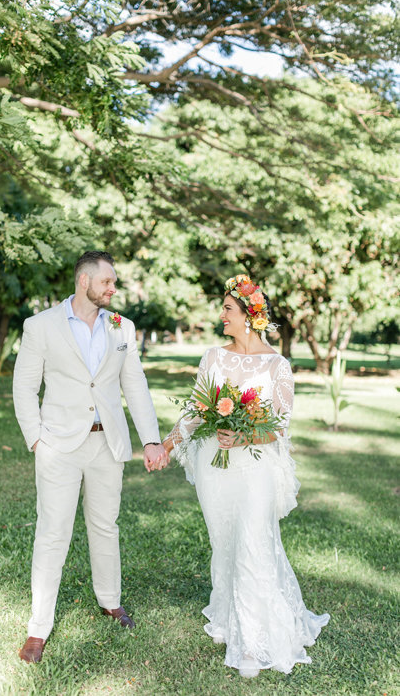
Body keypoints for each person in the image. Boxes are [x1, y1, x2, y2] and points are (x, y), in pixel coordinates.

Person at [162, 274, 330, 678]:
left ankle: (253, 643)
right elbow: (194, 411)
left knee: (254, 541)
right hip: (214, 466)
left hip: (255, 468)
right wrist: (165, 446)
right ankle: (227, 617)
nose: (221, 315)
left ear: (250, 317)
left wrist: (244, 433)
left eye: (227, 309)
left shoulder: (277, 365)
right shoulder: (212, 357)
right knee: (226, 541)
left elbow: (281, 424)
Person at [13, 250, 169, 663]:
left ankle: (110, 601)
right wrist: (36, 440)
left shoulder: (122, 328)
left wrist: (151, 440)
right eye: (107, 282)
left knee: (106, 525)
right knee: (52, 533)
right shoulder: (40, 326)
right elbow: (24, 388)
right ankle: (38, 628)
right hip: (58, 447)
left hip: (107, 445)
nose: (113, 289)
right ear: (84, 282)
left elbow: (135, 386)